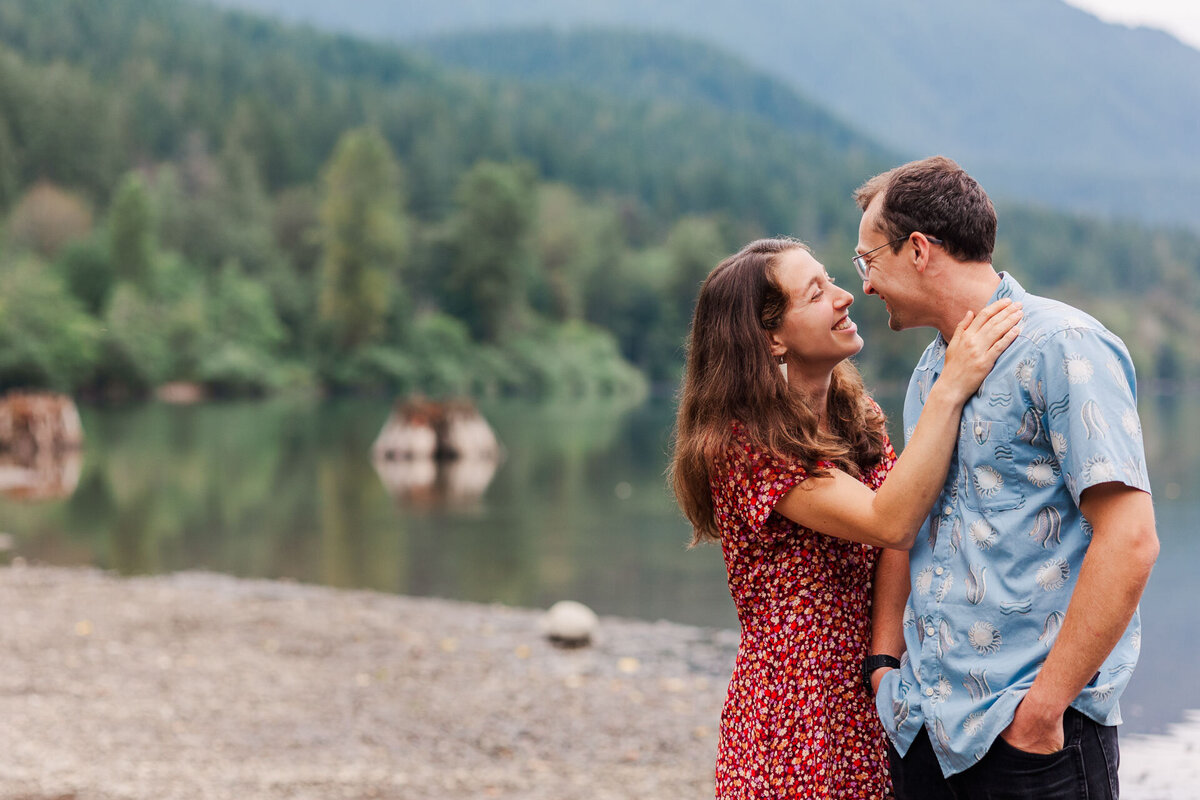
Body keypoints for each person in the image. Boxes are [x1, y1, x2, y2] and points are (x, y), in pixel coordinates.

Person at [670, 236, 1022, 799]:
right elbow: (892, 520)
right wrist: (951, 385)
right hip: (793, 716)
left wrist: (885, 659)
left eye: (832, 280)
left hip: (873, 697)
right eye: (816, 294)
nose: (844, 297)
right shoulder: (742, 446)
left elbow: (898, 544)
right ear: (772, 337)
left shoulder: (856, 417)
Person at [854, 156, 1159, 799]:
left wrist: (1044, 710)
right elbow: (909, 524)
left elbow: (1130, 541)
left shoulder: (1065, 346)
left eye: (868, 260)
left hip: (1032, 739)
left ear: (916, 250)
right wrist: (886, 666)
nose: (866, 286)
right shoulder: (930, 374)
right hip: (924, 731)